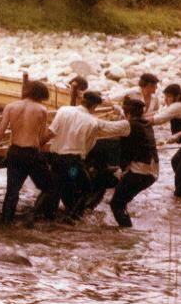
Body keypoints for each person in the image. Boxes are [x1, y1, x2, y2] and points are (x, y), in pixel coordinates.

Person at [41, 91, 130, 221]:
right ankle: (73, 217)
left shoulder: (63, 110)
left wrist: (37, 145)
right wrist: (125, 117)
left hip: (55, 159)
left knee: (58, 184)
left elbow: (50, 133)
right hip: (72, 163)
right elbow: (115, 129)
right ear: (94, 107)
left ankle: (49, 215)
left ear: (81, 100)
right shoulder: (93, 122)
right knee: (86, 187)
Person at [0, 80, 53, 224]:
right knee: (49, 187)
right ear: (41, 94)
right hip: (32, 153)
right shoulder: (41, 110)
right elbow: (41, 138)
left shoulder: (11, 107)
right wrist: (52, 134)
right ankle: (33, 215)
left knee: (12, 191)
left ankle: (6, 223)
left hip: (15, 152)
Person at [108, 99, 159, 227]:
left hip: (140, 172)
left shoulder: (129, 125)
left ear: (128, 114)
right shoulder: (146, 124)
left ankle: (126, 232)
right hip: (151, 172)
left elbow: (106, 127)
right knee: (121, 201)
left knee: (116, 203)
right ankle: (127, 230)